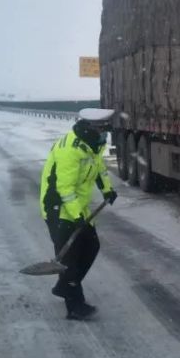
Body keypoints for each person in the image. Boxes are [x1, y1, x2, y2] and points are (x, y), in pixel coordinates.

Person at [39, 109, 117, 319]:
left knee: (91, 246)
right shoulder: (69, 150)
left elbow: (99, 168)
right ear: (91, 128)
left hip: (76, 206)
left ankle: (64, 286)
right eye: (102, 131)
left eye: (106, 131)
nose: (105, 136)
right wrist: (76, 217)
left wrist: (107, 189)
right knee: (69, 258)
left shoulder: (92, 146)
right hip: (57, 207)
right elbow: (64, 189)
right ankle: (74, 306)